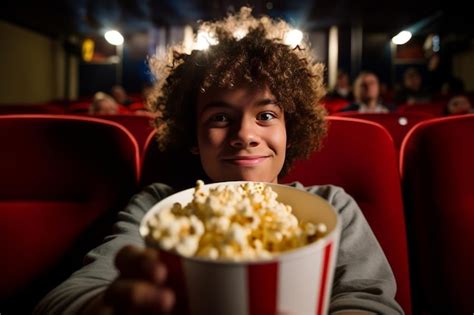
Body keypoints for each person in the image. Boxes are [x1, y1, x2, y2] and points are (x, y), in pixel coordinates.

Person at [35, 7, 403, 315]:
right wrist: (106, 306)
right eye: (220, 118)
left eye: (266, 115)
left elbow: (370, 301)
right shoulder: (159, 207)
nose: (245, 134)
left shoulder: (334, 205)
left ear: (291, 131)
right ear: (193, 138)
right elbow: (64, 299)